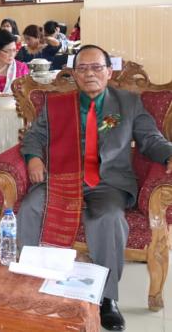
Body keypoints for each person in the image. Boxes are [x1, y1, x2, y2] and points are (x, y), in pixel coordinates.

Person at [18, 45, 172, 331]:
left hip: (108, 181)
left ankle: (107, 298)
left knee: (108, 218)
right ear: (75, 74)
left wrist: (169, 153)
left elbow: (150, 138)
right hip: (63, 176)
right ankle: (31, 280)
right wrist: (34, 158)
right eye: (83, 69)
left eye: (97, 67)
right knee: (30, 207)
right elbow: (34, 136)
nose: (90, 74)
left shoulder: (128, 103)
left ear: (108, 72)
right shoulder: (57, 104)